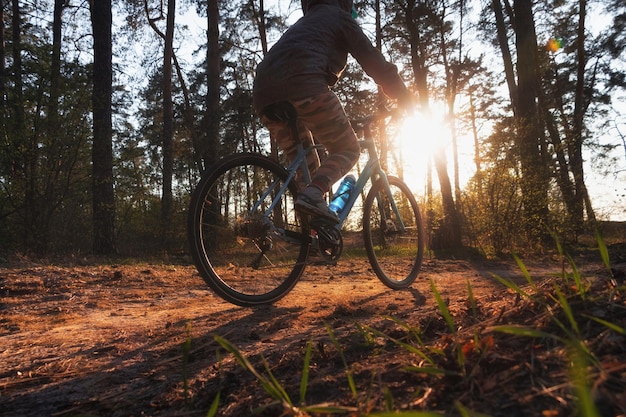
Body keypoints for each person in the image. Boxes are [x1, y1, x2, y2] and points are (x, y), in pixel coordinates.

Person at [253, 0, 412, 223]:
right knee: (347, 149)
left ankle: (313, 234)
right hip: (304, 85)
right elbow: (374, 61)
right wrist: (404, 97)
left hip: (264, 94)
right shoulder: (339, 17)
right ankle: (314, 196)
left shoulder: (303, 24)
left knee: (308, 169)